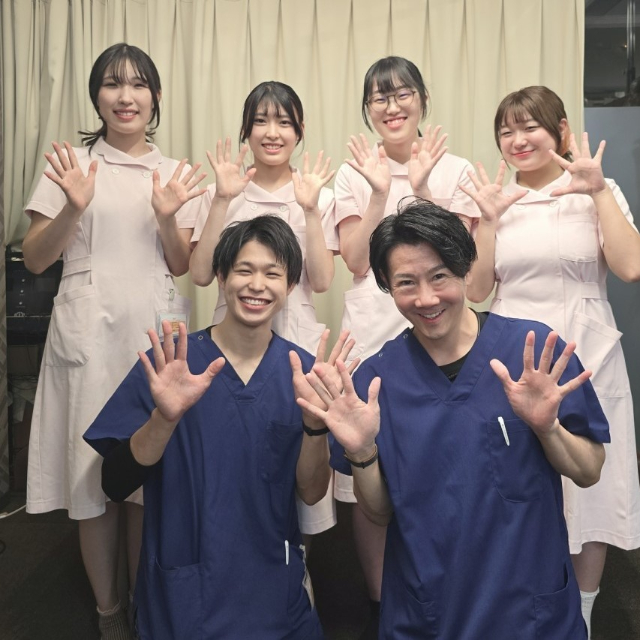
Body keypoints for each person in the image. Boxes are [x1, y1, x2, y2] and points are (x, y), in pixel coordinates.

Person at [296, 200, 609, 639]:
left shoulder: (533, 354)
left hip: (529, 609)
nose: (426, 299)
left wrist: (547, 428)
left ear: (465, 269)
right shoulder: (375, 383)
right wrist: (362, 451)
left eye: (439, 276)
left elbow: (590, 470)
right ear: (386, 286)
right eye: (406, 283)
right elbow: (380, 512)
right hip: (431, 610)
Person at [84, 216, 353, 639]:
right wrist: (163, 419)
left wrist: (315, 427)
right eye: (244, 270)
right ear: (222, 278)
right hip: (187, 588)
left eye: (272, 274)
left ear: (289, 287)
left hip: (272, 585)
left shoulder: (302, 375)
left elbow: (312, 492)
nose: (257, 285)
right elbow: (114, 483)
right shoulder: (173, 364)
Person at [22, 43, 205, 639]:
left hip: (151, 332)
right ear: (96, 96)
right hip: (88, 334)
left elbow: (180, 264)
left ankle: (143, 601)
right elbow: (36, 259)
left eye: (138, 84)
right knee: (92, 477)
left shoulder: (175, 173)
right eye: (112, 84)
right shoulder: (71, 164)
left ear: (155, 96)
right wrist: (73, 208)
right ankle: (109, 612)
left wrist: (166, 217)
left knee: (145, 478)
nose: (125, 97)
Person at [462, 85, 640, 638]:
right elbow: (474, 290)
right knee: (520, 478)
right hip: (515, 353)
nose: (517, 140)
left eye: (529, 127)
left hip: (589, 352)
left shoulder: (595, 188)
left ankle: (582, 613)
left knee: (592, 488)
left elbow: (630, 266)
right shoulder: (495, 200)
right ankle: (521, 601)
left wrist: (598, 192)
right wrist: (486, 222)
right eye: (506, 131)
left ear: (561, 130)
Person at [332, 55, 480, 630]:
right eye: (379, 97)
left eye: (402, 94)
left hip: (441, 328)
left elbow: (461, 262)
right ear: (367, 109)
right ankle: (379, 602)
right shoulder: (352, 171)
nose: (392, 107)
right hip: (373, 325)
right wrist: (378, 193)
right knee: (370, 464)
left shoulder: (456, 168)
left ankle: (452, 589)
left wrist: (421, 190)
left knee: (440, 463)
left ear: (422, 100)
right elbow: (354, 261)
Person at [189, 81, 339, 539]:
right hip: (233, 342)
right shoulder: (222, 191)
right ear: (246, 130)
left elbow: (323, 280)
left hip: (295, 338)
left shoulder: (318, 194)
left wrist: (310, 210)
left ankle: (298, 565)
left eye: (284, 122)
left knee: (300, 449)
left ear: (300, 130)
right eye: (260, 121)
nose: (272, 132)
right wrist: (221, 199)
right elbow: (200, 273)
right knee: (237, 453)